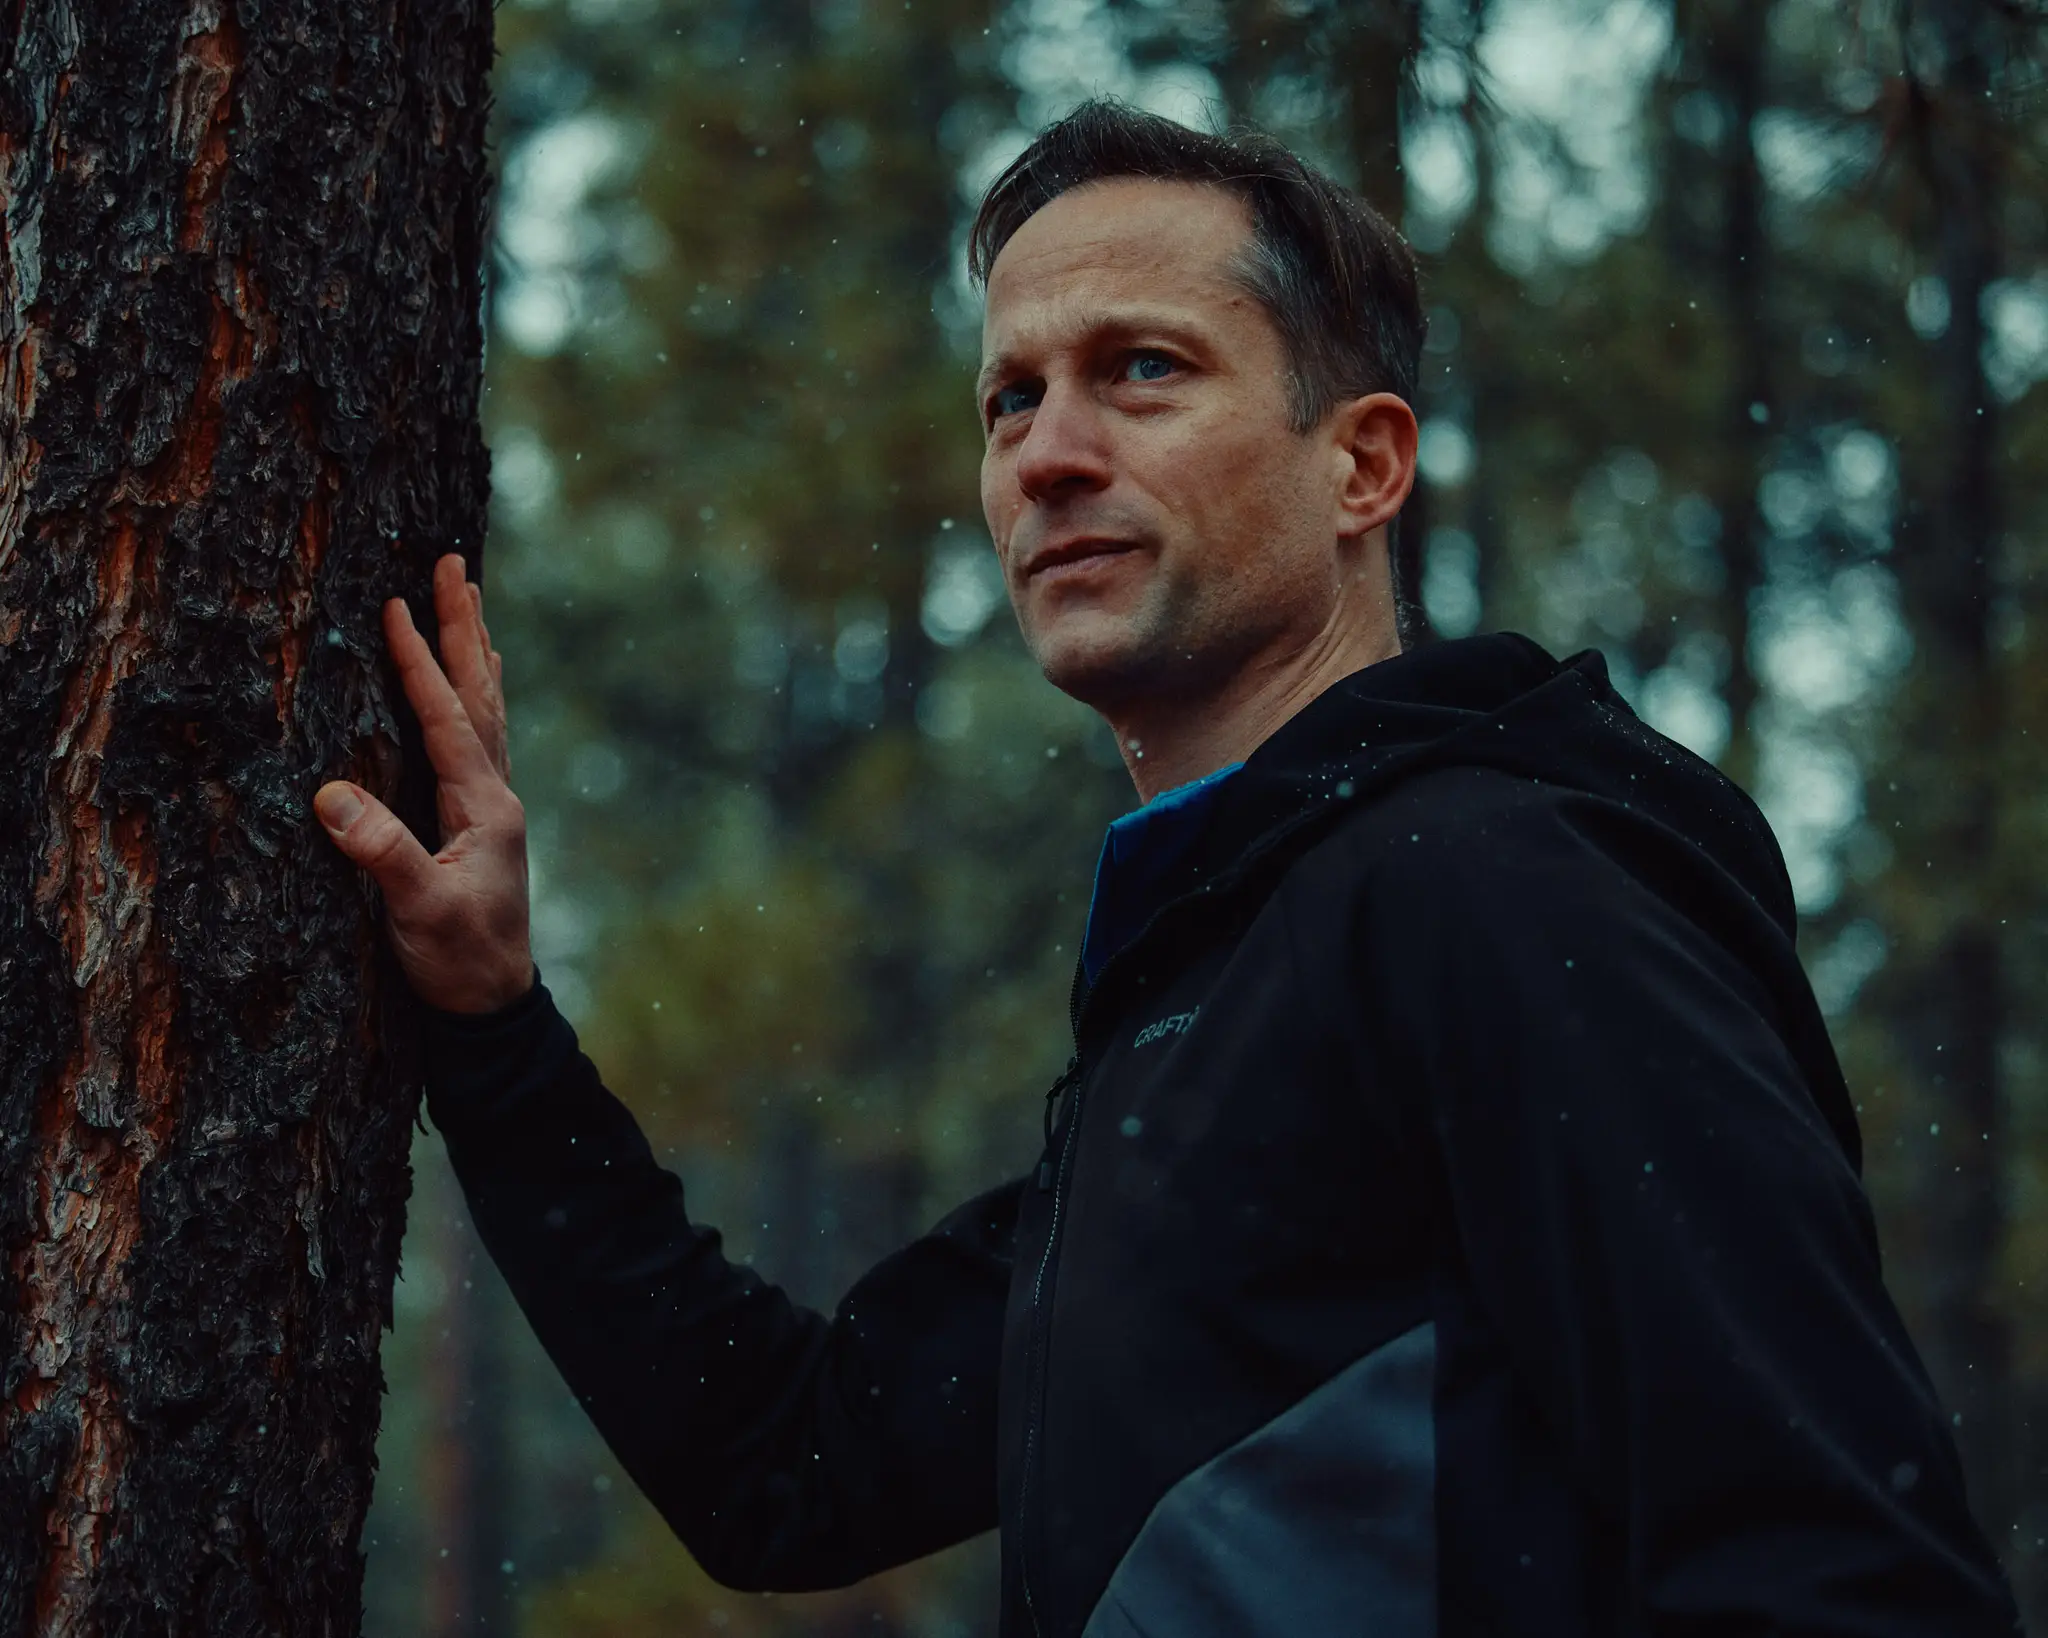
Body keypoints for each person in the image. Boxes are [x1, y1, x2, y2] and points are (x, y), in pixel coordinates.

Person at [312, 102, 2020, 1636]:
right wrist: (492, 1019)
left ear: (1360, 464)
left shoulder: (1493, 885)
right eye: (1011, 396)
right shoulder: (1207, 1001)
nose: (1050, 451)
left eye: (1144, 368)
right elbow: (794, 1461)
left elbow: (1838, 1571)